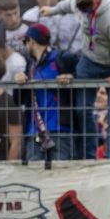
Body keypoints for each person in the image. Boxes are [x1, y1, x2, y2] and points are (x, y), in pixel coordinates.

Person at [41, 0, 110, 159]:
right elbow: (67, 5)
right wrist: (51, 11)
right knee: (82, 110)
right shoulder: (80, 1)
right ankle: (89, 156)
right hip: (89, 62)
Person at [13, 23, 77, 161]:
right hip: (34, 133)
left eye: (25, 42)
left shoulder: (61, 58)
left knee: (62, 177)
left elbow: (85, 70)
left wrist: (73, 76)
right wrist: (18, 83)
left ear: (32, 41)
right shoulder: (30, 66)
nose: (25, 46)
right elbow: (19, 100)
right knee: (35, 178)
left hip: (61, 130)